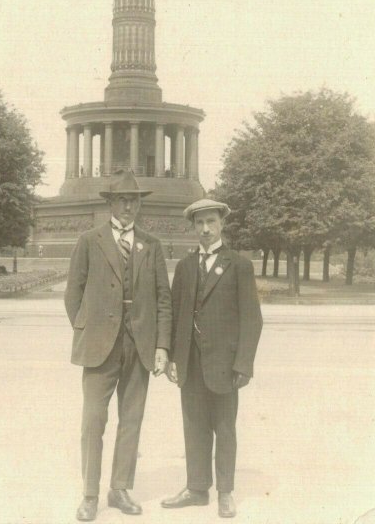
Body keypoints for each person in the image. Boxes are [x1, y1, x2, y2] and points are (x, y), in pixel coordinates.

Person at [65, 169, 172, 521]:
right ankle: (90, 494)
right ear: (110, 203)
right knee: (93, 421)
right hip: (99, 347)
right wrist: (88, 330)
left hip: (139, 345)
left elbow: (162, 299)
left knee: (132, 419)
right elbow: (73, 294)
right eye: (123, 199)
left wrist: (161, 345)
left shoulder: (151, 245)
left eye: (135, 199)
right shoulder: (89, 240)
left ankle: (120, 488)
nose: (129, 206)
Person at [161, 198, 263, 518]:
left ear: (221, 224)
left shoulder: (239, 265)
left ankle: (225, 492)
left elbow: (252, 319)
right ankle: (196, 488)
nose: (205, 229)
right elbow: (177, 316)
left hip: (224, 366)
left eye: (211, 223)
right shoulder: (186, 266)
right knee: (194, 427)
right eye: (199, 223)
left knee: (225, 428)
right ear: (193, 227)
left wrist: (243, 364)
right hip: (190, 364)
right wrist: (175, 359)